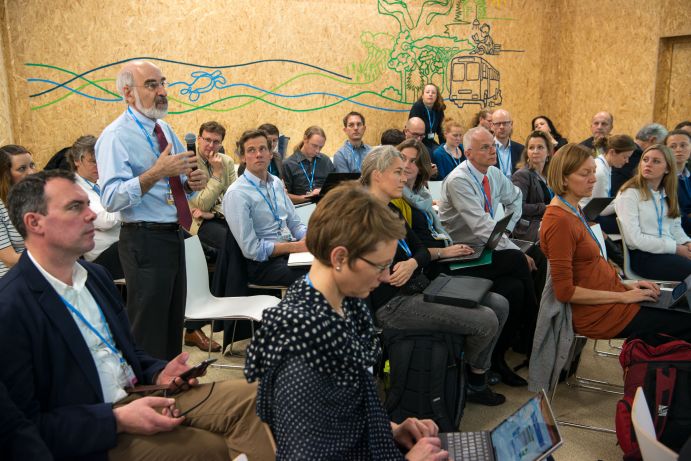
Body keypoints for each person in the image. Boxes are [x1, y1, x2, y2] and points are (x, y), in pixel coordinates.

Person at [0, 170, 275, 461]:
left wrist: (159, 371)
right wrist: (116, 419)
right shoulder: (12, 308)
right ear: (35, 223)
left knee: (258, 396)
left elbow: (130, 353)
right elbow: (24, 428)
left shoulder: (95, 276)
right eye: (75, 207)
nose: (92, 215)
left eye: (87, 204)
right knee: (208, 448)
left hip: (140, 392)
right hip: (96, 424)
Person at [244, 182, 447, 460]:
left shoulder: (344, 302)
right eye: (379, 266)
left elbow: (340, 413)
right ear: (339, 257)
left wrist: (389, 430)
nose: (386, 276)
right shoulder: (301, 348)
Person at [362, 145, 509, 405]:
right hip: (392, 304)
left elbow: (419, 248)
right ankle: (473, 379)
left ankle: (470, 373)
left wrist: (410, 263)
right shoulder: (364, 214)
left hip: (416, 286)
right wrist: (409, 263)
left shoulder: (391, 209)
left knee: (499, 303)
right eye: (397, 172)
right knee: (485, 320)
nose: (405, 177)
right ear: (377, 175)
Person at [95, 60, 208, 360]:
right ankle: (147, 400)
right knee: (148, 331)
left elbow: (177, 185)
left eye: (163, 83)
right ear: (128, 94)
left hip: (173, 235)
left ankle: (170, 395)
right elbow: (111, 198)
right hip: (143, 240)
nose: (162, 91)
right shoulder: (115, 136)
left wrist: (191, 183)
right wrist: (155, 173)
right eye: (152, 85)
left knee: (172, 323)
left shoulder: (165, 128)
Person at [541, 143, 691, 341]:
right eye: (585, 173)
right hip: (600, 314)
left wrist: (628, 284)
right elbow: (565, 292)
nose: (593, 179)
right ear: (563, 178)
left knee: (683, 307)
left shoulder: (574, 209)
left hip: (614, 296)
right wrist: (622, 296)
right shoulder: (560, 221)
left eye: (594, 172)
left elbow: (593, 268)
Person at [438, 127, 545, 385]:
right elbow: (481, 227)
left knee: (515, 287)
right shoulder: (459, 180)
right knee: (518, 260)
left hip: (486, 249)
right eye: (485, 147)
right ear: (468, 153)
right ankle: (534, 333)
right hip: (461, 255)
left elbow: (515, 199)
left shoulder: (494, 174)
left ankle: (499, 357)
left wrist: (505, 231)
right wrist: (511, 249)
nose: (492, 151)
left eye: (493, 146)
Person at [224, 129, 309, 287]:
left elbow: (295, 223)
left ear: (271, 153)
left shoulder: (276, 182)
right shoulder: (237, 193)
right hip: (263, 265)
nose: (258, 154)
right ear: (243, 158)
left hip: (289, 252)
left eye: (263, 149)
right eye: (251, 150)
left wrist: (306, 238)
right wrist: (296, 247)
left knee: (337, 264)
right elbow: (252, 250)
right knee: (320, 278)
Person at [185, 121, 236, 352]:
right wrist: (216, 177)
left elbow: (236, 198)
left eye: (216, 141)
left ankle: (227, 316)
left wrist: (213, 212)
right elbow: (198, 203)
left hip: (216, 218)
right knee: (230, 244)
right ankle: (197, 325)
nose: (211, 145)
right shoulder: (189, 162)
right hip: (194, 224)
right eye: (207, 140)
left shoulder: (226, 162)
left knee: (241, 243)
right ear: (199, 139)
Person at [614, 145, 691, 281]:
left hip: (669, 251)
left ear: (667, 169)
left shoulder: (667, 193)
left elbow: (675, 228)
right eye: (645, 159)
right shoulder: (629, 193)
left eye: (656, 161)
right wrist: (676, 248)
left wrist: (686, 243)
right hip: (644, 257)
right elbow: (634, 240)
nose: (648, 164)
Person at [67, 135, 124, 280]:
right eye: (93, 161)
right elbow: (106, 221)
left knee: (168, 234)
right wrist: (125, 201)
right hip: (103, 256)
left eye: (101, 160)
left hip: (121, 244)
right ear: (77, 161)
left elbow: (112, 214)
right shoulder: (73, 189)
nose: (99, 166)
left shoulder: (102, 182)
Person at [580, 134, 636, 234]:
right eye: (625, 157)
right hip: (586, 217)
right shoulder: (600, 171)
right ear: (612, 152)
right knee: (628, 226)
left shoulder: (606, 166)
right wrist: (622, 201)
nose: (627, 161)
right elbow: (601, 210)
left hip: (591, 214)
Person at [511, 131, 554, 241]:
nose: (535, 151)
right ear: (527, 152)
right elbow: (518, 207)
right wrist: (545, 208)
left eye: (540, 147)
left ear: (548, 152)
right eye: (531, 148)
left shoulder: (548, 174)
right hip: (528, 228)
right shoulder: (521, 175)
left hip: (547, 220)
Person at [0, 144, 36, 278]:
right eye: (22, 168)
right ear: (6, 174)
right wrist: (51, 256)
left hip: (42, 270)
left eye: (32, 165)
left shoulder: (37, 198)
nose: (31, 172)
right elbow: (9, 259)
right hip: (11, 279)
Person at [282, 126, 335, 204]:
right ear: (305, 139)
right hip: (301, 208)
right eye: (314, 146)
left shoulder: (326, 161)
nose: (317, 151)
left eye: (321, 147)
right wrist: (308, 197)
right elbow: (284, 196)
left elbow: (335, 186)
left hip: (324, 206)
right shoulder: (288, 164)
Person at [666, 129, 691, 235]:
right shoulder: (662, 178)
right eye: (673, 146)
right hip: (674, 234)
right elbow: (674, 215)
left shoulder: (688, 175)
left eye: (683, 145)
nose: (678, 150)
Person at [408, 83, 446, 153]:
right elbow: (413, 133)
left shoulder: (439, 108)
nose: (430, 94)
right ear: (422, 95)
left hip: (430, 142)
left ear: (437, 96)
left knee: (442, 153)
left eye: (433, 93)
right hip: (418, 142)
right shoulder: (417, 107)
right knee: (432, 154)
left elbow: (441, 130)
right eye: (427, 92)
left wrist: (444, 147)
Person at [491, 109, 523, 177]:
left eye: (505, 123)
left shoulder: (521, 149)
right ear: (492, 126)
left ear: (511, 124)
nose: (502, 127)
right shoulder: (487, 148)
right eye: (498, 124)